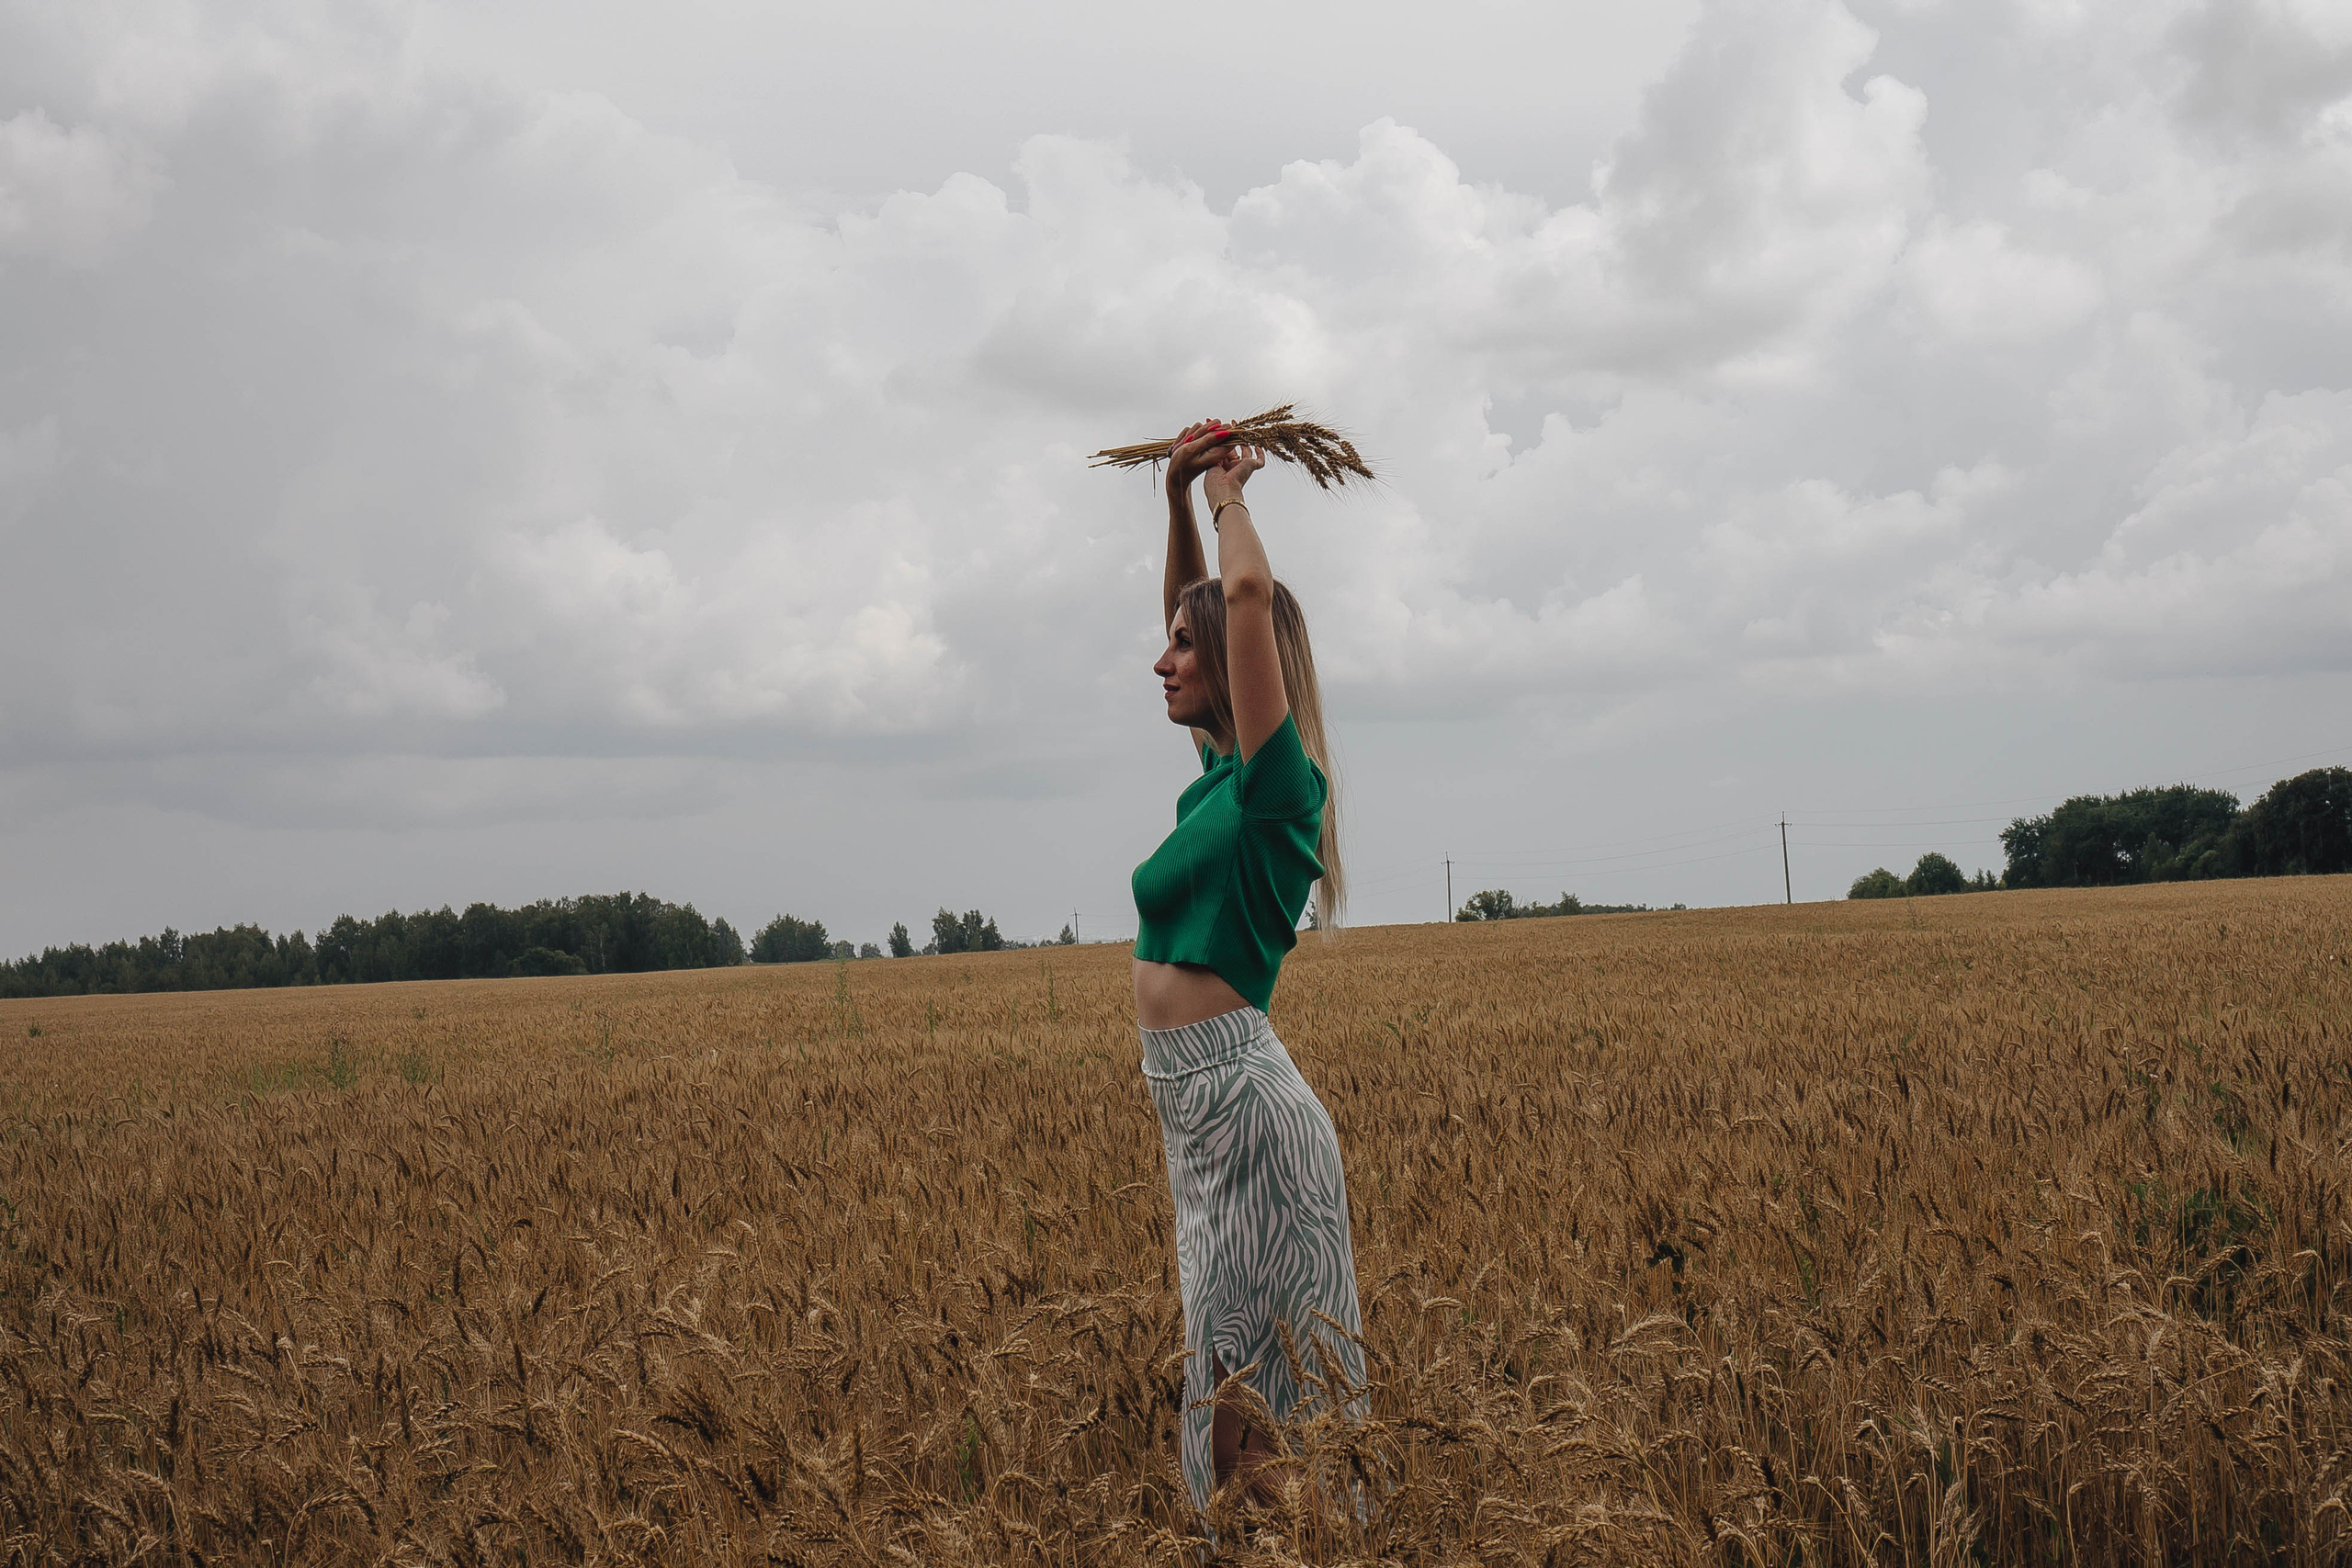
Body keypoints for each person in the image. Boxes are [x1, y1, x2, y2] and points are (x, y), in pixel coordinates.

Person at [1131, 419, 1365, 1517]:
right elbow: (1205, 609)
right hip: (1199, 1124)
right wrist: (1174, 501)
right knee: (1228, 1404)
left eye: (1185, 647)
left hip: (1248, 1118)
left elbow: (1242, 605)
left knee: (1261, 1426)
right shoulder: (1220, 779)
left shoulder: (1276, 792)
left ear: (1232, 664)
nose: (1162, 660)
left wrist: (1228, 493)